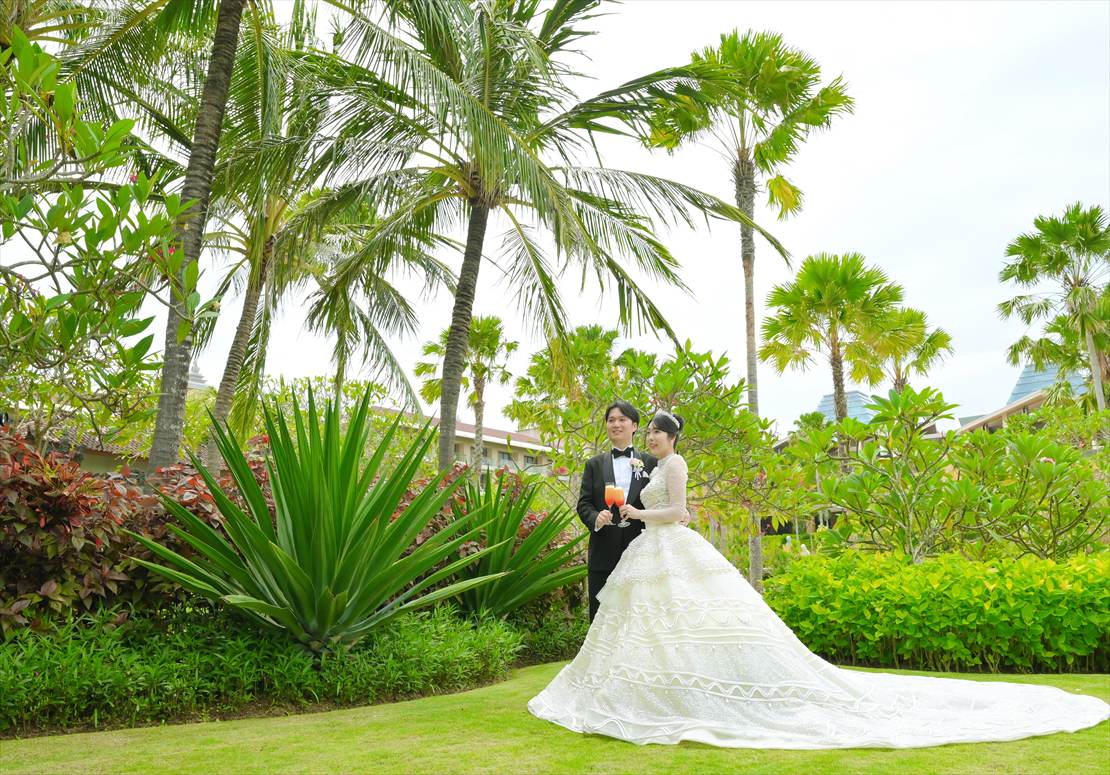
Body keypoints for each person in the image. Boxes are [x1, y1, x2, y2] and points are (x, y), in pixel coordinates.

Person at [529, 409, 1109, 748]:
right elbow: (603, 502)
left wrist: (635, 513)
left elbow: (678, 513)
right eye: (642, 430)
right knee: (649, 626)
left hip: (664, 543)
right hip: (637, 551)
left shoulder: (671, 464)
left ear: (664, 435)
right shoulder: (637, 466)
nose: (647, 437)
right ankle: (650, 688)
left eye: (651, 430)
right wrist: (617, 514)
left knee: (689, 618)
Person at [576, 401, 656, 622]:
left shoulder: (651, 463)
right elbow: (583, 504)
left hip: (640, 553)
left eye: (622, 419)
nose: (616, 424)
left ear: (635, 426)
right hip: (603, 553)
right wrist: (596, 518)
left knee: (637, 618)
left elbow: (661, 500)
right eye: (611, 420)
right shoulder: (594, 464)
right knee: (601, 617)